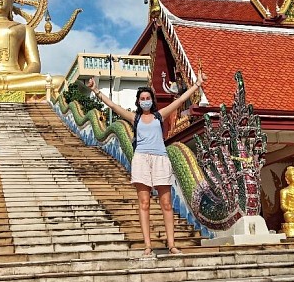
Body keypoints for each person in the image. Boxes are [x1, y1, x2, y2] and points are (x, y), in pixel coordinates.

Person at [87, 71, 206, 256]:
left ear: (152, 100)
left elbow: (180, 100)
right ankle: (148, 246)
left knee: (166, 204)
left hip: (160, 158)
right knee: (144, 203)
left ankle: (172, 245)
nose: (145, 101)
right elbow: (112, 105)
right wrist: (95, 90)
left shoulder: (159, 116)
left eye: (148, 98)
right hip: (141, 159)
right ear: (138, 101)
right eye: (142, 98)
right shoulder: (134, 118)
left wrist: (197, 84)